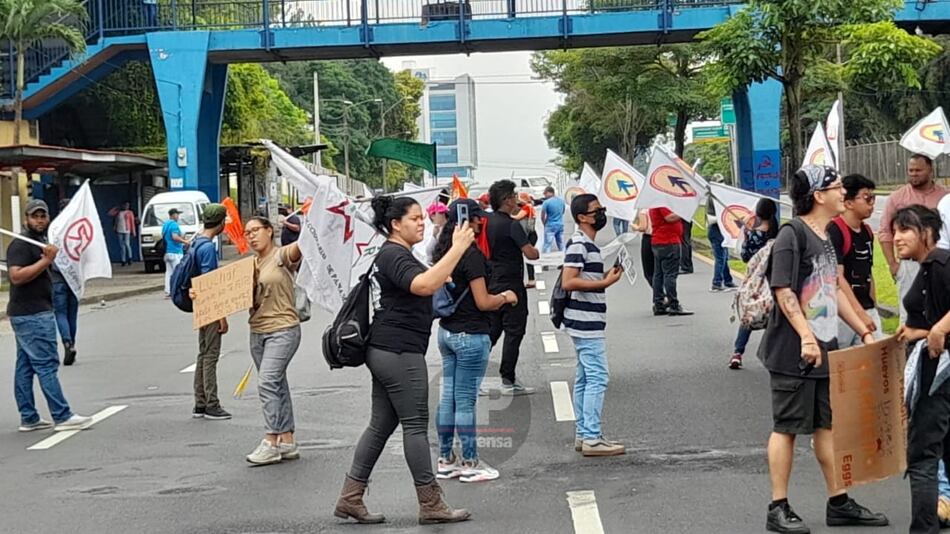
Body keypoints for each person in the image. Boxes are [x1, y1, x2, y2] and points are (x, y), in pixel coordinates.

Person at [758, 165, 887, 533]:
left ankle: (839, 501)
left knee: (826, 427)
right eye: (836, 187)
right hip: (793, 354)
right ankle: (778, 506)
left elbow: (832, 290)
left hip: (823, 352)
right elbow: (783, 290)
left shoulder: (825, 236)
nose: (842, 192)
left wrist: (864, 330)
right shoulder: (792, 234)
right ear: (817, 195)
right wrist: (806, 337)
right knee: (786, 428)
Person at [334, 196, 473, 525]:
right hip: (398, 352)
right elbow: (422, 285)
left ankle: (350, 498)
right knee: (414, 425)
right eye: (414, 218)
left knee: (381, 425)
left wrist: (442, 272)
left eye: (423, 217)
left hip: (388, 350)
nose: (421, 222)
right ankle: (431, 503)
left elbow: (424, 282)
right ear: (395, 224)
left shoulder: (397, 253)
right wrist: (457, 248)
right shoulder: (393, 254)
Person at [433, 198, 517, 483]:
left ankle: (446, 459)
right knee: (465, 402)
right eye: (477, 217)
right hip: (470, 334)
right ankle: (470, 462)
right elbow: (483, 302)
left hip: (446, 332)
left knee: (448, 399)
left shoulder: (442, 250)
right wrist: (505, 297)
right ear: (466, 221)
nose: (482, 221)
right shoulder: (471, 256)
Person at [8, 199, 92, 432]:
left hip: (31, 312)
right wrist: (46, 260)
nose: (39, 220)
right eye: (34, 216)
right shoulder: (21, 245)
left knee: (25, 366)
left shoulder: (41, 242)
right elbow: (16, 276)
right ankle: (62, 415)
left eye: (43, 216)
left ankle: (29, 417)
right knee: (46, 364)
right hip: (32, 314)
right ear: (26, 218)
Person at [892, 205, 950, 533]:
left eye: (905, 230)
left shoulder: (941, 262)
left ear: (927, 233)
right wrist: (919, 330)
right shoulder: (926, 268)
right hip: (933, 369)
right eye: (895, 231)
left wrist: (940, 328)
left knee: (923, 455)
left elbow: (940, 323)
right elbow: (932, 315)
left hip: (938, 374)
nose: (896, 238)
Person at [561, 193, 626, 457]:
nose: (601, 214)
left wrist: (604, 276)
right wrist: (604, 283)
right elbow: (568, 281)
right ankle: (592, 437)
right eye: (596, 211)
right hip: (585, 321)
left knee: (586, 377)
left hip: (586, 319)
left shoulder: (587, 244)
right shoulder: (579, 244)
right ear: (582, 217)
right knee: (597, 376)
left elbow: (583, 277)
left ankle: (584, 433)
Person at [240, 217, 304, 466]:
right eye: (247, 233)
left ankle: (271, 441)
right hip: (257, 331)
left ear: (269, 231)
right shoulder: (248, 266)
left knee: (267, 381)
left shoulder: (282, 255)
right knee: (276, 383)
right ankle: (287, 440)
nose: (251, 236)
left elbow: (303, 245)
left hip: (283, 329)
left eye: (256, 230)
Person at [485, 179, 540, 395]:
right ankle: (507, 380)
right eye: (514, 196)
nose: (516, 200)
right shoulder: (511, 225)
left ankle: (473, 376)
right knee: (514, 331)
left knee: (491, 331)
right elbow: (530, 254)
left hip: (490, 282)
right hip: (512, 284)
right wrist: (534, 246)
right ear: (507, 200)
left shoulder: (485, 222)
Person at [879, 154, 947, 322]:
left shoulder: (945, 197)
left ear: (930, 170)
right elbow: (885, 232)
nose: (914, 174)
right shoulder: (897, 197)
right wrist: (893, 264)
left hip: (940, 262)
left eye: (918, 170)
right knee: (910, 315)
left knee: (939, 310)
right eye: (911, 170)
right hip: (909, 266)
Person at [827, 174, 882, 348]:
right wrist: (859, 313)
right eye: (867, 198)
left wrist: (873, 306)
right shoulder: (834, 231)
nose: (872, 204)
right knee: (840, 360)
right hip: (842, 313)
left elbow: (868, 271)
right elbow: (837, 278)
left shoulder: (867, 231)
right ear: (849, 203)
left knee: (876, 355)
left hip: (867, 309)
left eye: (873, 198)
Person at [191, 204, 231, 421]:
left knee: (203, 353)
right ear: (221, 222)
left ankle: (200, 402)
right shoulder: (207, 248)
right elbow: (210, 284)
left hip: (199, 305)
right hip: (209, 307)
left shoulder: (196, 242)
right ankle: (211, 404)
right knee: (211, 355)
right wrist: (221, 315)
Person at [729, 197, 778, 370]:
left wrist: (745, 235)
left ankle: (737, 352)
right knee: (775, 316)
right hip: (774, 279)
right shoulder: (780, 234)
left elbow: (744, 257)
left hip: (755, 281)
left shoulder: (753, 234)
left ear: (758, 213)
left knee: (749, 314)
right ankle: (774, 354)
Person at [650, 207, 692, 316]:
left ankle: (659, 303)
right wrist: (683, 212)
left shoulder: (654, 204)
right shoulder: (662, 203)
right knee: (670, 275)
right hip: (668, 241)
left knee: (658, 274)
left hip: (658, 241)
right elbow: (669, 217)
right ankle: (673, 304)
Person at [51, 199, 78, 366]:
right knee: (72, 314)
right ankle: (72, 344)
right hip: (74, 278)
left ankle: (67, 343)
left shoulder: (53, 229)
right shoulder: (77, 228)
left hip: (57, 278)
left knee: (60, 313)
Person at [707, 196, 737, 292]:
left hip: (719, 231)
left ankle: (728, 280)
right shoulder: (715, 198)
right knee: (720, 258)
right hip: (717, 231)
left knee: (724, 257)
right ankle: (716, 283)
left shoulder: (713, 197)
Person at [162, 208, 189, 298]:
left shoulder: (165, 225)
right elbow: (174, 237)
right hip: (175, 252)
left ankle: (168, 291)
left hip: (167, 252)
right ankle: (178, 291)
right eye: (177, 214)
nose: (178, 216)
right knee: (179, 272)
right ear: (173, 215)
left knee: (169, 273)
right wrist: (185, 241)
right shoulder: (174, 225)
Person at [513, 193, 537, 288]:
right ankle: (531, 279)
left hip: (528, 234)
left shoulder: (527, 207)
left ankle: (531, 279)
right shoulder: (529, 207)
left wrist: (506, 215)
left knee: (527, 257)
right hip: (531, 233)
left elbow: (517, 217)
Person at [541, 185, 566, 253]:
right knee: (561, 244)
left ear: (550, 192)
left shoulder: (546, 202)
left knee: (547, 245)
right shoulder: (561, 201)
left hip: (550, 225)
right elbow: (563, 212)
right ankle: (564, 256)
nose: (545, 195)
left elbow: (542, 215)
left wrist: (544, 223)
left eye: (545, 193)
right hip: (560, 224)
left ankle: (547, 258)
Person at [632, 210, 653, 288]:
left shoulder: (644, 210)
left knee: (649, 271)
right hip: (663, 238)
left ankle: (658, 291)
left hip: (649, 238)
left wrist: (634, 226)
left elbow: (643, 227)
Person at [114, 201, 137, 266]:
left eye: (127, 205)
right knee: (122, 246)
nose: (126, 207)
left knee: (127, 244)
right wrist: (116, 208)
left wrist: (133, 231)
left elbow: (132, 222)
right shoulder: (119, 212)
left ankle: (130, 258)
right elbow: (112, 215)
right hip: (119, 230)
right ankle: (123, 260)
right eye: (125, 205)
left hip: (127, 230)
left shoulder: (130, 213)